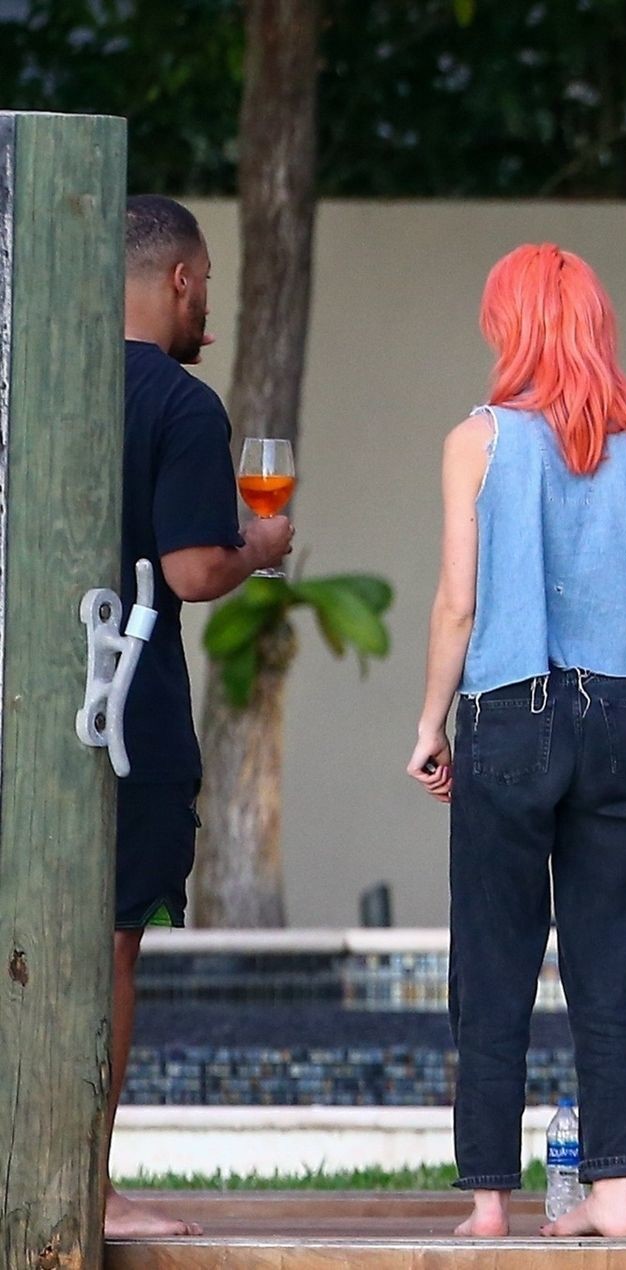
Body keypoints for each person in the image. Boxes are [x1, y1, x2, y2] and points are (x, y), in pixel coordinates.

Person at [405, 244, 626, 1239]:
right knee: (614, 957)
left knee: (494, 957)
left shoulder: (476, 440)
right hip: (621, 714)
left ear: (509, 327)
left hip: (507, 711)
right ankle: (614, 1191)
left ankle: (490, 1197)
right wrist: (612, 657)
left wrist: (431, 722)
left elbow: (457, 602)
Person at [109, 196, 296, 1239]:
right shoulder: (183, 405)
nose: (208, 304)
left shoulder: (45, 384)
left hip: (32, 693)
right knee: (111, 949)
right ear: (180, 280)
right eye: (208, 282)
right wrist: (260, 545)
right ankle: (90, 1188)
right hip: (127, 708)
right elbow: (191, 569)